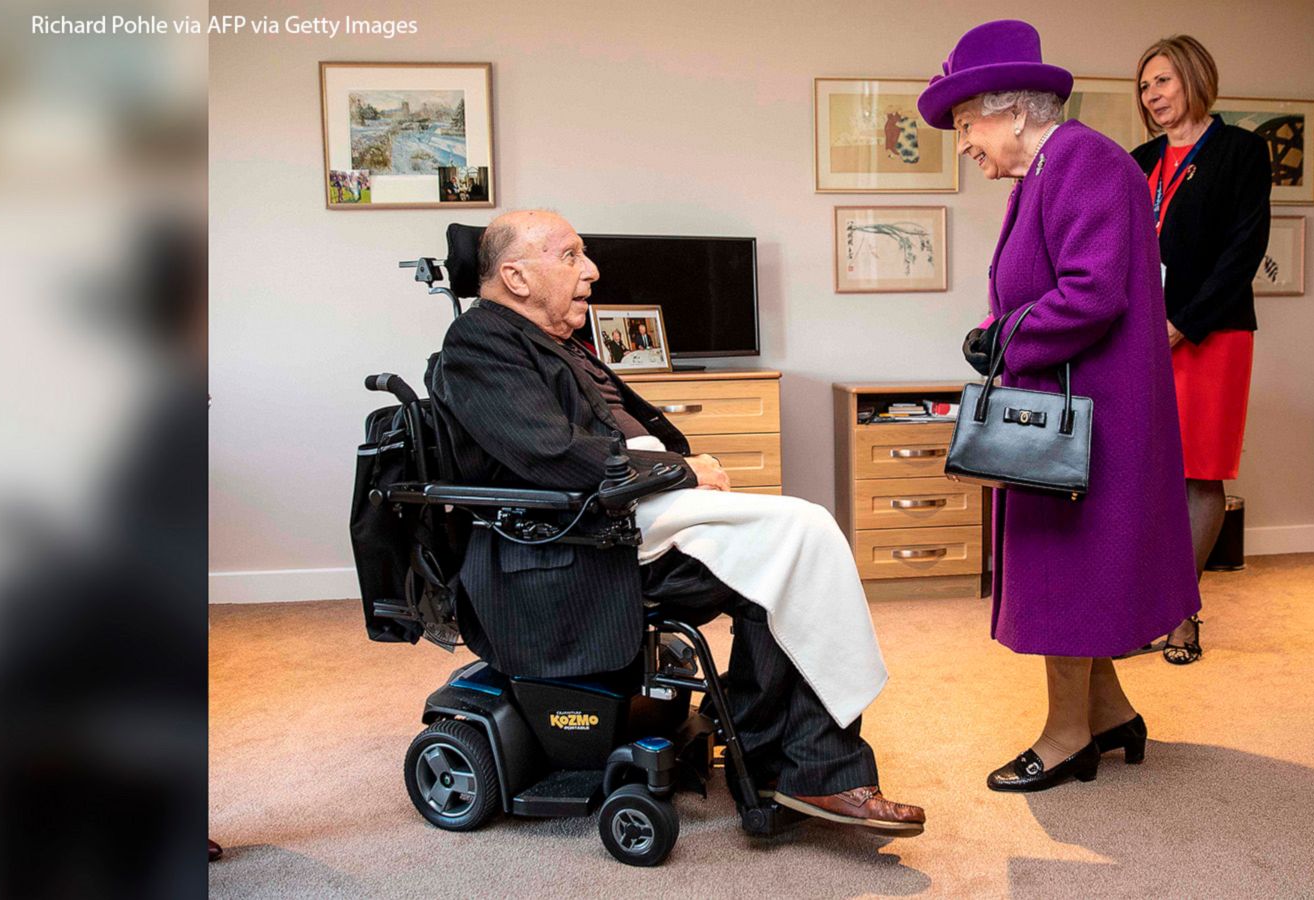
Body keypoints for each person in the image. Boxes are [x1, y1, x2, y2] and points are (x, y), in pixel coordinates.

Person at [425, 209, 925, 834]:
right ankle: (819, 772)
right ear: (516, 277)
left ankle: (794, 767)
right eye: (572, 255)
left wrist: (674, 470)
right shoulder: (480, 342)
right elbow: (548, 455)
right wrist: (681, 471)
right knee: (804, 529)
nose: (592, 270)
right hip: (580, 538)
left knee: (788, 561)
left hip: (627, 512)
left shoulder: (550, 340)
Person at [917, 19, 1199, 791]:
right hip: (1066, 405)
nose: (966, 143)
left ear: (1010, 110)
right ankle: (1108, 713)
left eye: (966, 124)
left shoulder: (1080, 160)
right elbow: (1045, 286)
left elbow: (1092, 291)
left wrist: (1004, 337)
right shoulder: (1049, 169)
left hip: (1088, 416)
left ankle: (1068, 735)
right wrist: (996, 331)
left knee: (1068, 573)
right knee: (1071, 569)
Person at [1129, 36, 1270, 664]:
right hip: (1142, 335)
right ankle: (1144, 607)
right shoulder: (1139, 160)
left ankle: (1183, 615)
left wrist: (1184, 323)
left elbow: (1243, 252)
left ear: (1192, 77)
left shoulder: (1242, 151)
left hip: (1212, 333)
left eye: (1160, 81)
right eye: (1143, 87)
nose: (1152, 95)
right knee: (1145, 470)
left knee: (1198, 471)